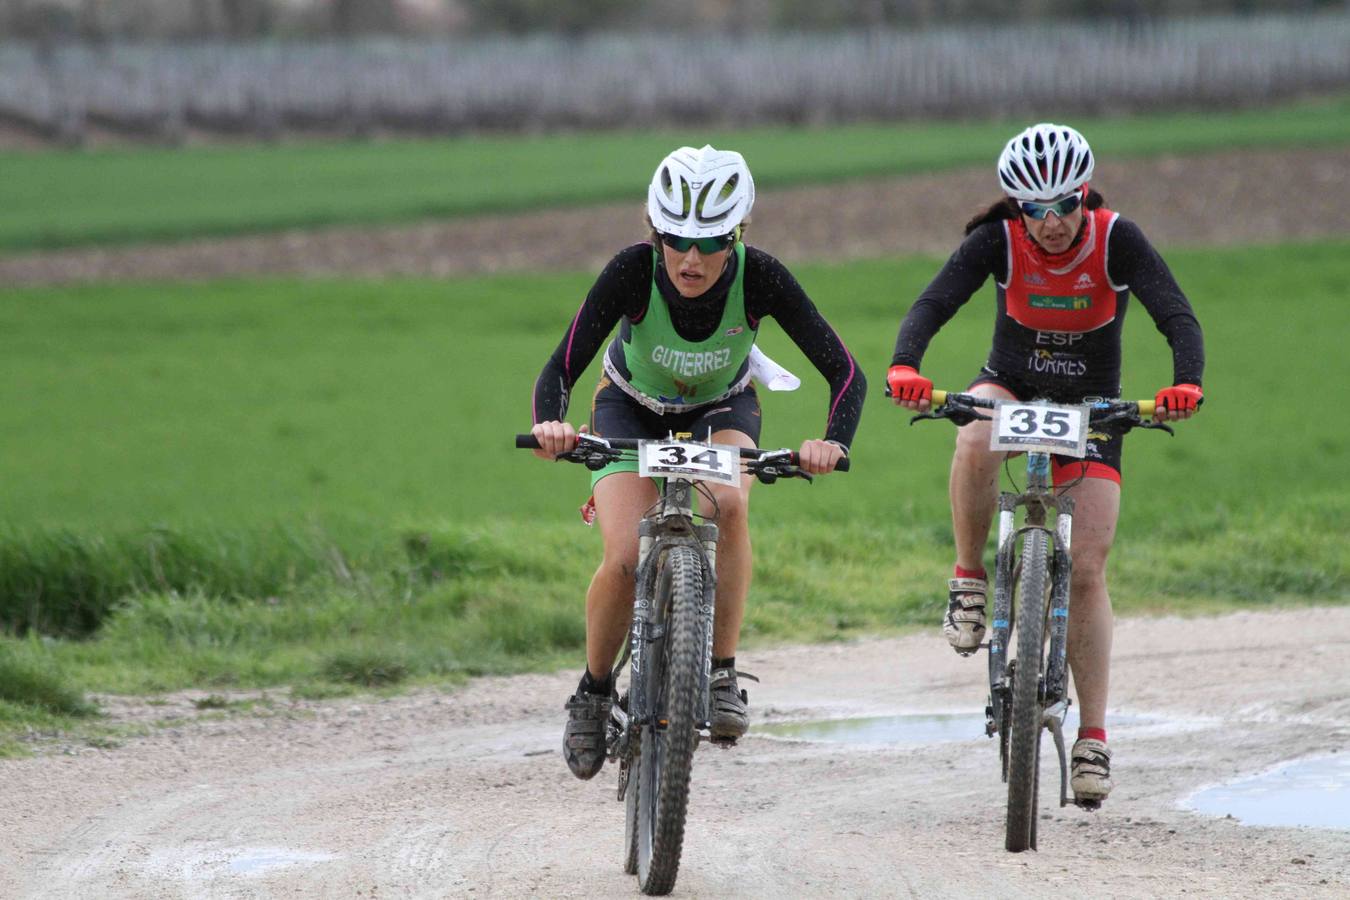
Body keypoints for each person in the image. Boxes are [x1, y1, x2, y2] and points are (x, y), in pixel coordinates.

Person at [886, 123, 1204, 805]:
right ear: (1017, 207)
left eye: (1065, 204)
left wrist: (1187, 382)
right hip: (1011, 384)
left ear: (1085, 195)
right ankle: (969, 581)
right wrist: (905, 364)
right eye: (1036, 209)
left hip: (1092, 407)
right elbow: (934, 302)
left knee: (1086, 568)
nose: (1053, 222)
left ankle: (1093, 737)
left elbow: (1175, 313)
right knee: (972, 435)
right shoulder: (996, 242)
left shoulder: (1117, 237)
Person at [530, 145, 866, 780]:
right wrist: (550, 423)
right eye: (676, 239)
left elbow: (846, 373)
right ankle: (594, 692)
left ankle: (719, 672)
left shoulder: (760, 276)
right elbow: (559, 368)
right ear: (655, 232)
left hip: (722, 409)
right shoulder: (632, 272)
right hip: (628, 409)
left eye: (711, 241)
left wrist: (833, 443)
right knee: (627, 557)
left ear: (736, 234)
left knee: (732, 501)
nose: (691, 258)